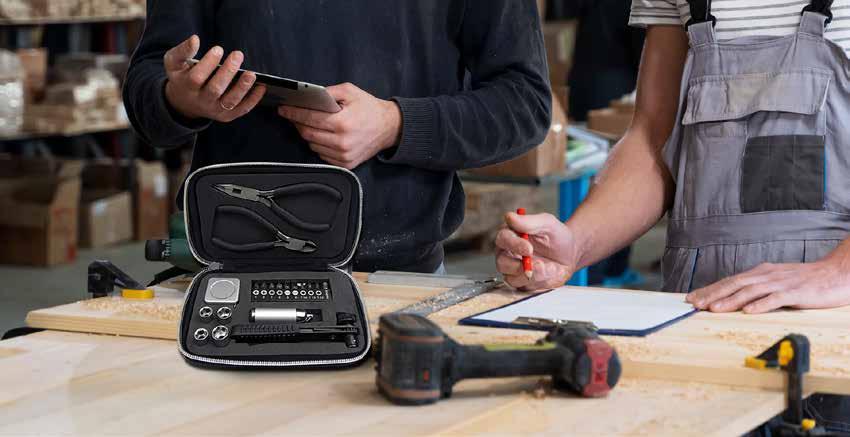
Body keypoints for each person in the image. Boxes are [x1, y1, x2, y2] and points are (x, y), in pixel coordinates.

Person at [124, 1, 552, 274]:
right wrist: (177, 99)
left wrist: (395, 124)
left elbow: (524, 104)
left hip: (400, 276)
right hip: (229, 265)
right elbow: (147, 91)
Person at [496, 0, 850, 313]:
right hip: (703, 297)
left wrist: (839, 270)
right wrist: (575, 244)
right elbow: (652, 139)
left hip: (832, 306)